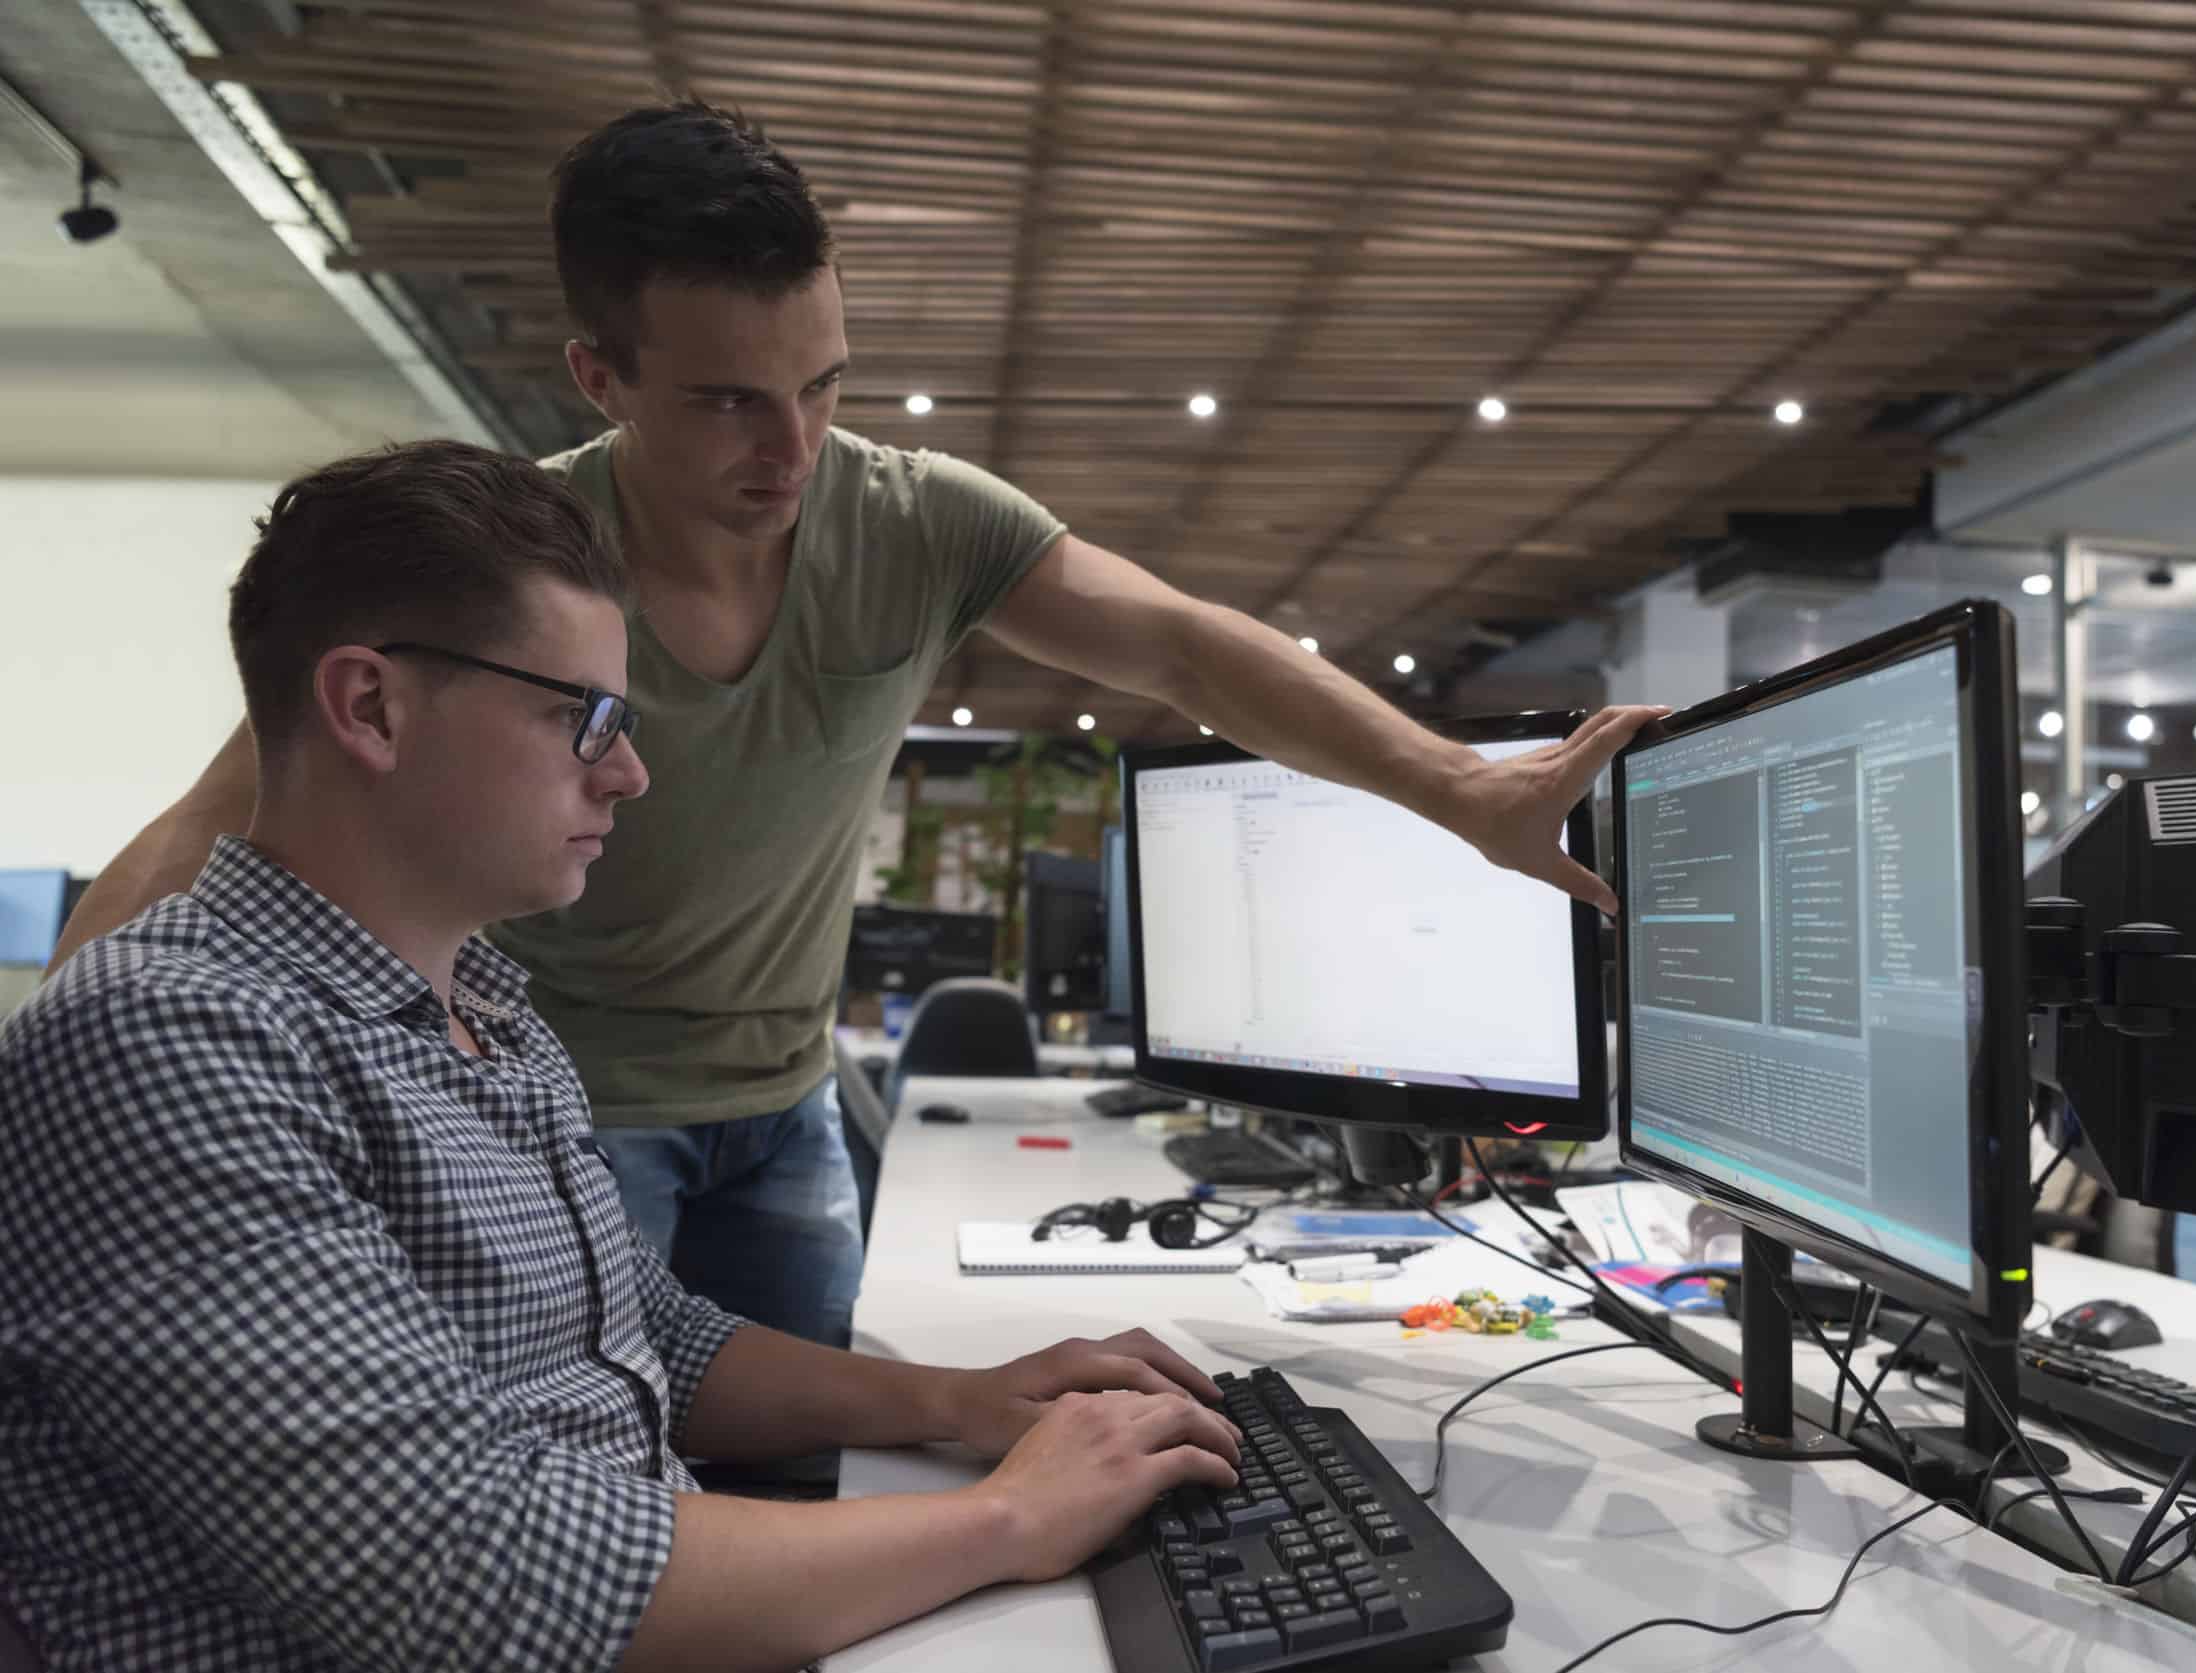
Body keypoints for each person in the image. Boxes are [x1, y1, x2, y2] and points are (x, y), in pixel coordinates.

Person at [50, 101, 1664, 1357]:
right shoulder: (514, 565)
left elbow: (1183, 643)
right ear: (599, 371)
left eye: (822, 386)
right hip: (561, 1113)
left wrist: (1459, 789)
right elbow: (230, 812)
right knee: (605, 1502)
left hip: (783, 1106)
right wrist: (58, 1074)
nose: (792, 446)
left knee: (803, 1468)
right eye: (729, 400)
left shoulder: (916, 523)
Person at [0, 440, 1244, 1670]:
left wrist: (962, 1399)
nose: (632, 772)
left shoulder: (486, 1012)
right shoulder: (169, 1037)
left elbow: (640, 1332)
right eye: (584, 717)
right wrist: (1010, 1517)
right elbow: (470, 1576)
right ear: (370, 704)